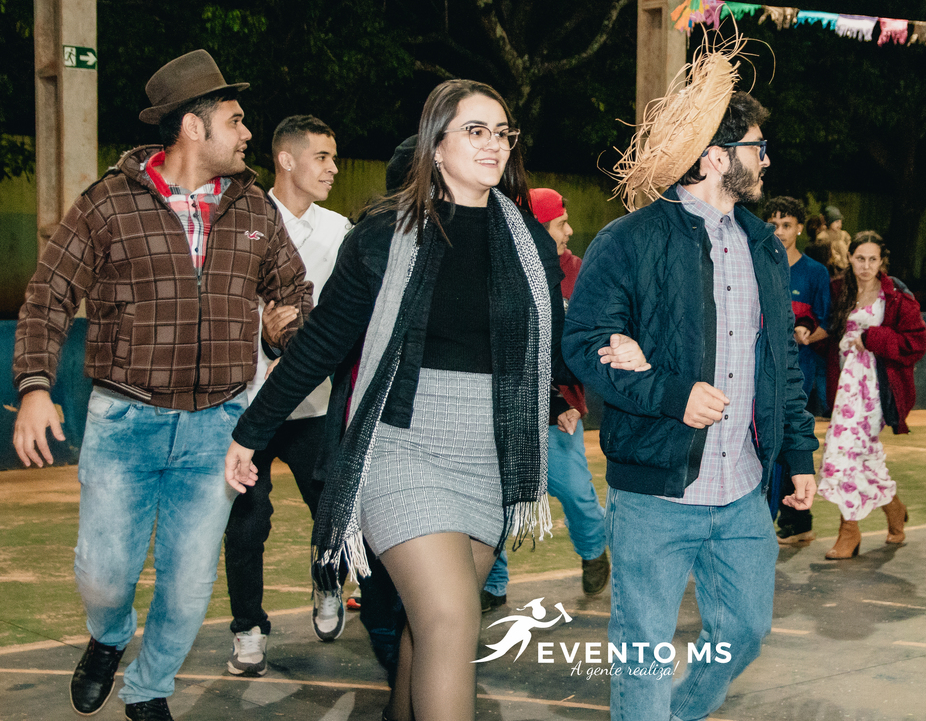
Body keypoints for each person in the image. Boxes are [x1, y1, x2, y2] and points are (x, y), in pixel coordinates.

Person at [223, 79, 571, 721]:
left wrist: (611, 351)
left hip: (489, 453)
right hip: (402, 446)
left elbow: (553, 341)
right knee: (451, 618)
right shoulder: (383, 234)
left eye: (502, 132)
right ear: (435, 145)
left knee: (432, 623)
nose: (494, 144)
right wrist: (252, 430)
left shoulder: (527, 240)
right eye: (476, 131)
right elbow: (321, 343)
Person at [11, 50, 312, 721]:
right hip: (125, 421)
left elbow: (294, 291)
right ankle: (109, 635)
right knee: (103, 574)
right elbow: (48, 296)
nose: (247, 134)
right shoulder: (107, 205)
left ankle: (148, 690)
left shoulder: (255, 208)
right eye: (235, 121)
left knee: (188, 583)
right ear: (192, 127)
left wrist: (287, 331)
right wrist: (34, 387)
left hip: (219, 427)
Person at [564, 58, 819, 721]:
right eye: (757, 147)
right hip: (655, 491)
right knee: (643, 651)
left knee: (745, 631)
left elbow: (783, 363)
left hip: (743, 491)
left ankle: (682, 712)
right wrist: (672, 393)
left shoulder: (764, 246)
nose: (766, 159)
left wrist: (798, 453)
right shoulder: (628, 241)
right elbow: (583, 344)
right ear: (714, 157)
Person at [223, 115, 353, 677]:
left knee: (332, 510)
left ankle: (329, 585)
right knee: (248, 520)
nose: (333, 168)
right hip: (249, 403)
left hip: (315, 401)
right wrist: (262, 334)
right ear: (286, 159)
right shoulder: (244, 221)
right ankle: (248, 628)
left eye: (333, 157)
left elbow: (351, 314)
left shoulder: (341, 230)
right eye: (322, 157)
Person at [481, 188, 611, 611]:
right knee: (494, 497)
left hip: (561, 408)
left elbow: (586, 340)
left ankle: (593, 550)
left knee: (573, 489)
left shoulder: (578, 272)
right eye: (560, 223)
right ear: (535, 229)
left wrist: (567, 398)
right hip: (507, 404)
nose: (569, 231)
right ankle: (492, 582)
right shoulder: (502, 270)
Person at [819, 231, 926, 559]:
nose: (865, 266)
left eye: (872, 260)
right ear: (849, 258)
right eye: (859, 259)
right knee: (862, 455)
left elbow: (916, 344)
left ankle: (848, 531)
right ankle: (894, 509)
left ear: (882, 262)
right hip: (844, 387)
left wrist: (873, 339)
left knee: (844, 451)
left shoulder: (895, 297)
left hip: (875, 390)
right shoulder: (837, 290)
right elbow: (824, 325)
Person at [762, 195, 830, 545]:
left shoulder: (815, 273)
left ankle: (785, 521)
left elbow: (828, 323)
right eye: (773, 224)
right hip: (763, 373)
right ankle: (797, 522)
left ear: (800, 228)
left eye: (786, 224)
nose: (779, 231)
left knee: (791, 444)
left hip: (799, 375)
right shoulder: (756, 263)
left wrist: (806, 334)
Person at [818, 206, 850, 272]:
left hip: (844, 266)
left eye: (840, 222)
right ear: (829, 222)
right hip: (829, 266)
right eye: (836, 221)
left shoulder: (844, 234)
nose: (839, 224)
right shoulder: (823, 236)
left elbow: (849, 248)